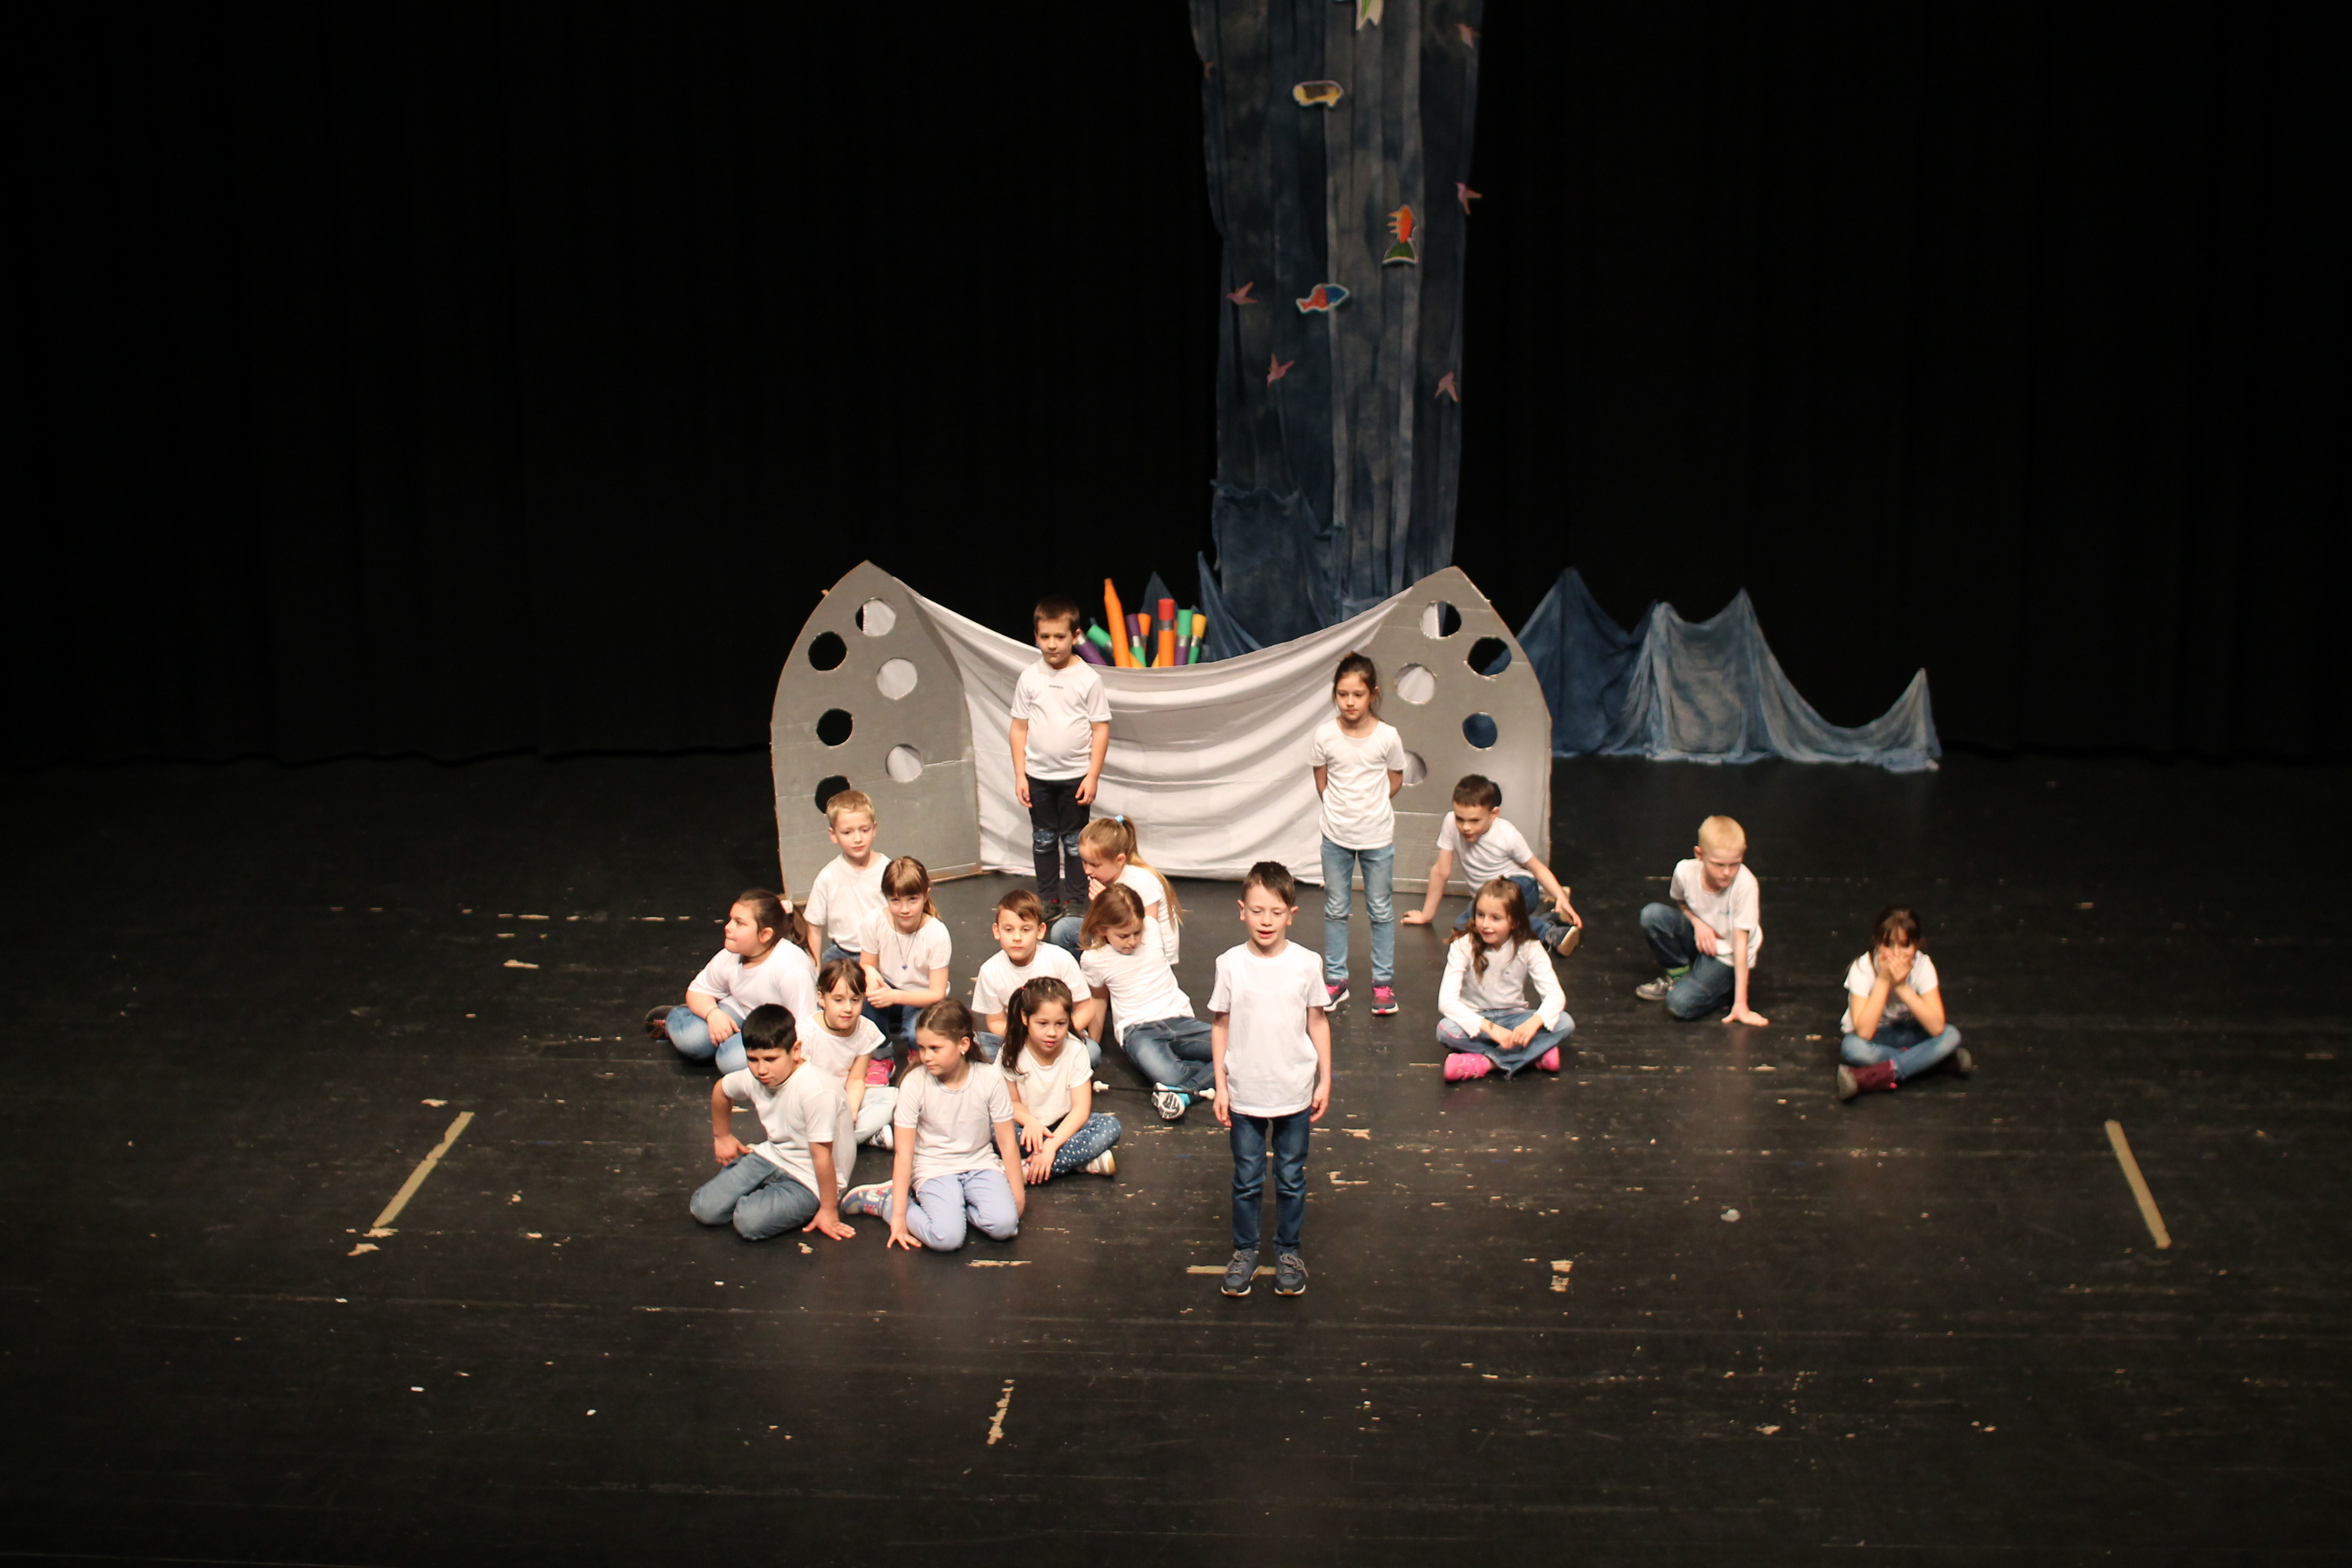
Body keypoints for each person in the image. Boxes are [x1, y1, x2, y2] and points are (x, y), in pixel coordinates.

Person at [1210, 862, 1332, 1299]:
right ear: (1242, 910)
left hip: (1294, 1092)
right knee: (1247, 1179)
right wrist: (1221, 1085)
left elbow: (1317, 1022)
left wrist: (1325, 1079)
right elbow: (1221, 1025)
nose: (1266, 921)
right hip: (1245, 1093)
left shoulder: (1306, 964)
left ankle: (1288, 1252)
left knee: (1290, 1178)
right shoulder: (1230, 964)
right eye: (1258, 911)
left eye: (1276, 912)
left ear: (1291, 915)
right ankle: (1245, 1251)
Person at [840, 1000, 1025, 1252]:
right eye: (923, 1048)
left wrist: (1017, 1198)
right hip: (934, 1167)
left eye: (935, 1048)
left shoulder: (989, 1078)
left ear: (963, 1045)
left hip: (979, 1163)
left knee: (1004, 1226)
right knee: (947, 1238)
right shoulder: (915, 1083)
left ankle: (956, 1208)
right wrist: (899, 1217)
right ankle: (888, 1202)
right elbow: (904, 1155)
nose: (926, 1056)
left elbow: (1007, 1143)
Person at [688, 1005, 859, 1244]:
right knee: (703, 1208)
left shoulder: (815, 1091)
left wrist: (829, 1210)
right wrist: (722, 1136)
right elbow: (722, 1091)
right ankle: (758, 1193)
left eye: (771, 1059)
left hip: (810, 1178)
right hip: (773, 1156)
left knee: (748, 1222)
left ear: (795, 1051)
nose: (762, 1070)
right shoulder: (756, 1077)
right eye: (753, 1060)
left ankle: (763, 1198)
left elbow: (822, 1156)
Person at [1310, 652, 1406, 1014]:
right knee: (1336, 909)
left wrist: (1372, 806)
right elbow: (1321, 778)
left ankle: (1383, 983)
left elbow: (1395, 778)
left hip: (1376, 838)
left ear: (1373, 695)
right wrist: (1340, 809)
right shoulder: (1325, 735)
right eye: (1342, 694)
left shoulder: (1387, 737)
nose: (1350, 702)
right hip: (1335, 836)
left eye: (1358, 695)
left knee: (1380, 910)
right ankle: (1336, 980)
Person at [1009, 592, 1112, 924]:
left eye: (1060, 637)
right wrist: (1020, 775)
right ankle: (1048, 898)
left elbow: (1100, 729)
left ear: (1075, 636)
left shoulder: (1088, 679)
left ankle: (1077, 899)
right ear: (1035, 636)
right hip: (1038, 777)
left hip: (1075, 777)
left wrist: (1092, 776)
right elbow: (1019, 728)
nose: (1052, 645)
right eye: (1045, 637)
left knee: (1075, 843)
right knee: (1043, 840)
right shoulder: (1030, 677)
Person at [1401, 775, 1583, 956]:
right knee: (1465, 929)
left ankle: (1551, 933)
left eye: (1475, 821)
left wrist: (1560, 896)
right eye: (1460, 819)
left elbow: (1536, 867)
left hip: (1521, 887)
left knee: (1481, 920)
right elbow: (1441, 871)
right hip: (1487, 898)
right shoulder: (1450, 823)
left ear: (1494, 814)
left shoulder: (1507, 834)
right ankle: (1551, 919)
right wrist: (1426, 915)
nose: (1466, 827)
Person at [644, 888, 819, 1075]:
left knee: (731, 1061)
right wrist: (712, 1014)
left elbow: (805, 1027)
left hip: (774, 1028)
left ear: (765, 935)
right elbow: (698, 992)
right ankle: (676, 1017)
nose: (728, 927)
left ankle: (727, 1041)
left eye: (739, 923)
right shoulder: (731, 955)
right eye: (731, 920)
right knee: (692, 1040)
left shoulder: (793, 968)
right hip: (739, 1011)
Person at [1079, 884, 1211, 1122]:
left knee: (1236, 1048)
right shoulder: (1093, 959)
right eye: (1123, 936)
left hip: (1180, 1020)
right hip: (1139, 1030)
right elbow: (1099, 998)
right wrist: (1092, 1047)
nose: (1132, 941)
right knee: (1171, 1076)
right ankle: (1211, 1076)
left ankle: (1182, 1094)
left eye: (1136, 933)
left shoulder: (1151, 928)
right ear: (1101, 929)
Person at [1635, 815, 1768, 1025]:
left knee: (1679, 1004)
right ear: (1699, 855)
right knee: (1653, 915)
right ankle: (1680, 977)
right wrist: (1698, 924)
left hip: (1729, 956)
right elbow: (1682, 903)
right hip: (1703, 939)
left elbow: (1740, 945)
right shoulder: (1685, 872)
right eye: (1719, 865)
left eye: (1734, 864)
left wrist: (1741, 1004)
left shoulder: (1745, 885)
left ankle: (1724, 992)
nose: (1727, 873)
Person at [1438, 878, 1575, 1080]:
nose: (1485, 924)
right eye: (1481, 915)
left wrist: (1532, 1024)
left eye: (1496, 918)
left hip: (1514, 1018)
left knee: (1565, 1022)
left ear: (1515, 922)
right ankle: (1533, 1055)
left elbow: (1555, 996)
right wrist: (1492, 1030)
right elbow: (1447, 1002)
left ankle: (1488, 1063)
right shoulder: (1463, 945)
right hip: (1478, 1020)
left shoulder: (1529, 947)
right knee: (1445, 1030)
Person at [1836, 906, 1970, 1100]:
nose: (1896, 954)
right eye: (1888, 945)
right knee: (1852, 1047)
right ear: (1877, 943)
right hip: (1878, 1037)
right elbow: (1864, 1032)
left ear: (1916, 945)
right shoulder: (1863, 968)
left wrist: (1901, 986)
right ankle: (1933, 1063)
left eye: (1904, 946)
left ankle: (1881, 1075)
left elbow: (1937, 1027)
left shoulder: (1923, 965)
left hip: (1911, 1032)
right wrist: (1883, 980)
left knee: (1951, 1035)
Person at [1000, 978, 1120, 1179]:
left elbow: (1081, 1109)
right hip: (1028, 1130)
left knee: (1109, 1126)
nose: (1052, 1033)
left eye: (1060, 1024)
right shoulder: (1011, 1052)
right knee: (992, 1127)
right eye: (1042, 1024)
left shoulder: (1076, 1051)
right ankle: (1079, 1163)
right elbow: (1011, 1103)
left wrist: (1051, 1146)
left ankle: (1027, 1170)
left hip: (1064, 1128)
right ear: (1025, 1017)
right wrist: (1030, 1122)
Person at [970, 888, 1098, 1064]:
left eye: (1025, 930)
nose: (1017, 937)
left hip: (1058, 1039)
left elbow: (1086, 1007)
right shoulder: (990, 971)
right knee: (972, 1045)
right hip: (1019, 1041)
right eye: (1009, 930)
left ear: (1040, 931)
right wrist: (1029, 1038)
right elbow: (995, 1022)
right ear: (997, 931)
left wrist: (1058, 1033)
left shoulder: (1061, 960)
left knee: (1092, 1053)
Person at [1048, 815, 1183, 963]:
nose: (1087, 871)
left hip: (1148, 954)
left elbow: (1148, 932)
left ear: (1120, 860)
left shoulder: (1142, 882)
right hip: (1120, 938)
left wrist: (1108, 904)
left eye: (1095, 865)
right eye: (1085, 862)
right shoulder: (1103, 876)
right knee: (1063, 930)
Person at [857, 855, 951, 1067]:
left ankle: (918, 1050)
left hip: (921, 996)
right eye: (896, 901)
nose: (905, 909)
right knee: (864, 998)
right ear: (886, 898)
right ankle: (880, 1056)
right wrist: (870, 973)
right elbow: (867, 964)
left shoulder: (937, 933)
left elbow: (937, 993)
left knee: (917, 1033)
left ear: (926, 896)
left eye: (912, 900)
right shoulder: (874, 922)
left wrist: (895, 997)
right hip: (888, 988)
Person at [800, 957, 896, 1147]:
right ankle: (853, 1139)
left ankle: (839, 1142)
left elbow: (856, 1079)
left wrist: (851, 1112)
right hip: (814, 1102)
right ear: (822, 999)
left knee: (895, 1097)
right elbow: (801, 1086)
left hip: (843, 1097)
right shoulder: (806, 1034)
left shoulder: (866, 1031)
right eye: (838, 1000)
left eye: (855, 1000)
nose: (848, 1009)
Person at [803, 788, 886, 963]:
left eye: (864, 830)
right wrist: (815, 969)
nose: (858, 839)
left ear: (874, 829)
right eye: (847, 833)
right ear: (834, 835)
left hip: (883, 952)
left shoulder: (888, 870)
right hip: (842, 954)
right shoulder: (828, 876)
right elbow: (814, 927)